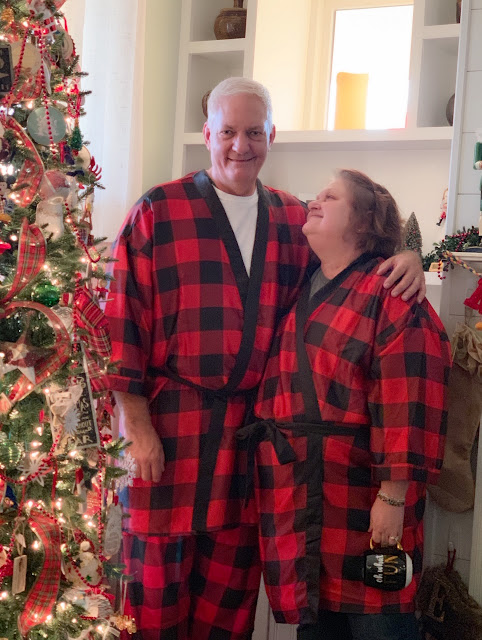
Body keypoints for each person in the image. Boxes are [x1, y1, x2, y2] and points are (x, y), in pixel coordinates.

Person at [105, 78, 426, 640]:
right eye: (227, 131)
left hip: (249, 447)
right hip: (169, 433)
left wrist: (409, 257)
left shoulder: (291, 218)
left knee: (227, 613)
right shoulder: (160, 210)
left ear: (271, 136)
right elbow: (120, 319)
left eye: (254, 132)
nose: (240, 146)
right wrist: (134, 424)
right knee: (150, 607)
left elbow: (354, 246)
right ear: (207, 134)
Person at [242, 169, 451, 640]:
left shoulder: (394, 296)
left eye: (329, 197)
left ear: (363, 224)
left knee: (379, 625)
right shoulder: (306, 284)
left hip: (365, 501)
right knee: (318, 627)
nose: (313, 202)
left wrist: (393, 496)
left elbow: (409, 396)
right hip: (305, 504)